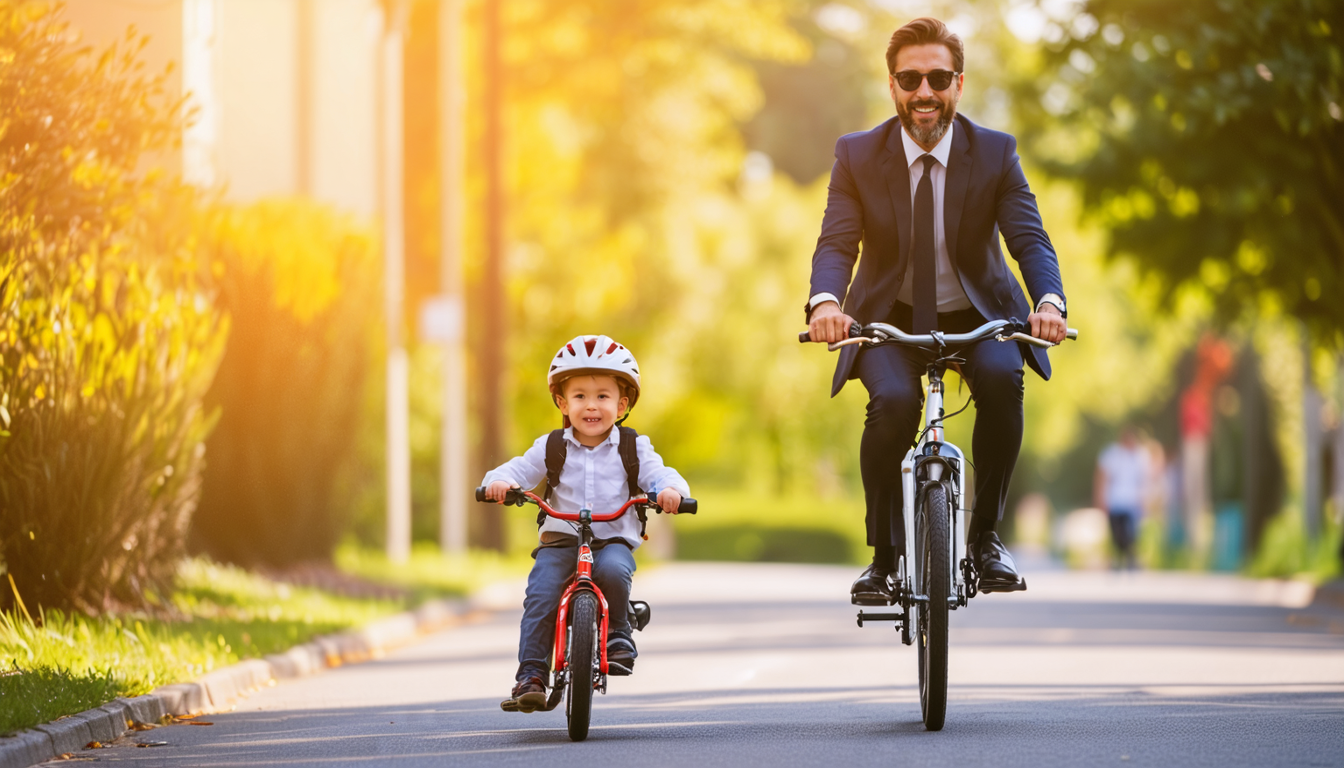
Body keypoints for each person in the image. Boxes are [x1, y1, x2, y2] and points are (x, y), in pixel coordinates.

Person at [803, 18, 1067, 601]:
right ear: (893, 86)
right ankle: (883, 556)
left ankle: (986, 538)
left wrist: (1048, 301)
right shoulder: (856, 155)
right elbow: (837, 243)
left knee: (1003, 382)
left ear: (958, 85)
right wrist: (825, 302)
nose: (925, 91)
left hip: (979, 317)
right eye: (911, 78)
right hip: (889, 317)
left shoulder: (996, 153)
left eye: (938, 77)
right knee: (893, 404)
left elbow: (1029, 240)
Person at [482, 335, 690, 713]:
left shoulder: (633, 447)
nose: (591, 406)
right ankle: (530, 674)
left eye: (602, 396)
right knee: (542, 593)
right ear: (562, 402)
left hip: (612, 540)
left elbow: (661, 474)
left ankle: (618, 635)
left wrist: (671, 491)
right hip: (561, 541)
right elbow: (519, 469)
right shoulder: (551, 447)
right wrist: (499, 482)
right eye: (579, 396)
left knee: (613, 569)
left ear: (622, 404)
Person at [1094, 426, 1152, 570]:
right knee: (1117, 534)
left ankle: (1131, 559)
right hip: (1115, 501)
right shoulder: (1111, 454)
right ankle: (1118, 559)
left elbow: (1144, 479)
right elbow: (1102, 477)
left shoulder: (1140, 456)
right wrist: (1101, 497)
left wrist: (1145, 499)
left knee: (1131, 534)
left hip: (1132, 501)